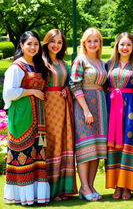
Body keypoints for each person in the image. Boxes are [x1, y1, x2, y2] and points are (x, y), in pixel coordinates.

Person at [3, 31, 50, 205]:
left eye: (36, 44)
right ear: (21, 45)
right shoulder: (17, 66)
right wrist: (32, 91)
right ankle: (23, 196)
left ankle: (37, 195)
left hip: (39, 117)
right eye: (29, 44)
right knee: (23, 153)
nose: (33, 47)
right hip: (23, 115)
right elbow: (9, 92)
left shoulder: (37, 65)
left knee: (38, 153)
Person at [70, 27, 107, 201]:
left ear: (100, 43)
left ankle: (91, 186)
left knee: (96, 149)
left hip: (100, 106)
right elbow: (75, 85)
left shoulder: (100, 62)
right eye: (89, 41)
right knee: (85, 147)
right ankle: (84, 187)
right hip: (84, 106)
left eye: (96, 40)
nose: (93, 44)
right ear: (84, 43)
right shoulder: (80, 60)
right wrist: (85, 109)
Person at [105, 32, 133, 200]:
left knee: (128, 141)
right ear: (117, 46)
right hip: (112, 106)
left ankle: (126, 186)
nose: (125, 47)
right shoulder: (108, 65)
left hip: (131, 108)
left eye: (128, 44)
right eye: (122, 44)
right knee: (113, 142)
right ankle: (116, 185)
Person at [42, 29, 77, 201]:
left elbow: (70, 84)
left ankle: (63, 189)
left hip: (63, 108)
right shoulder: (41, 62)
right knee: (52, 144)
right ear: (46, 42)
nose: (56, 45)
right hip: (47, 108)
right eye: (52, 41)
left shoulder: (64, 64)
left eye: (60, 42)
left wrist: (66, 90)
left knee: (64, 143)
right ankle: (51, 190)